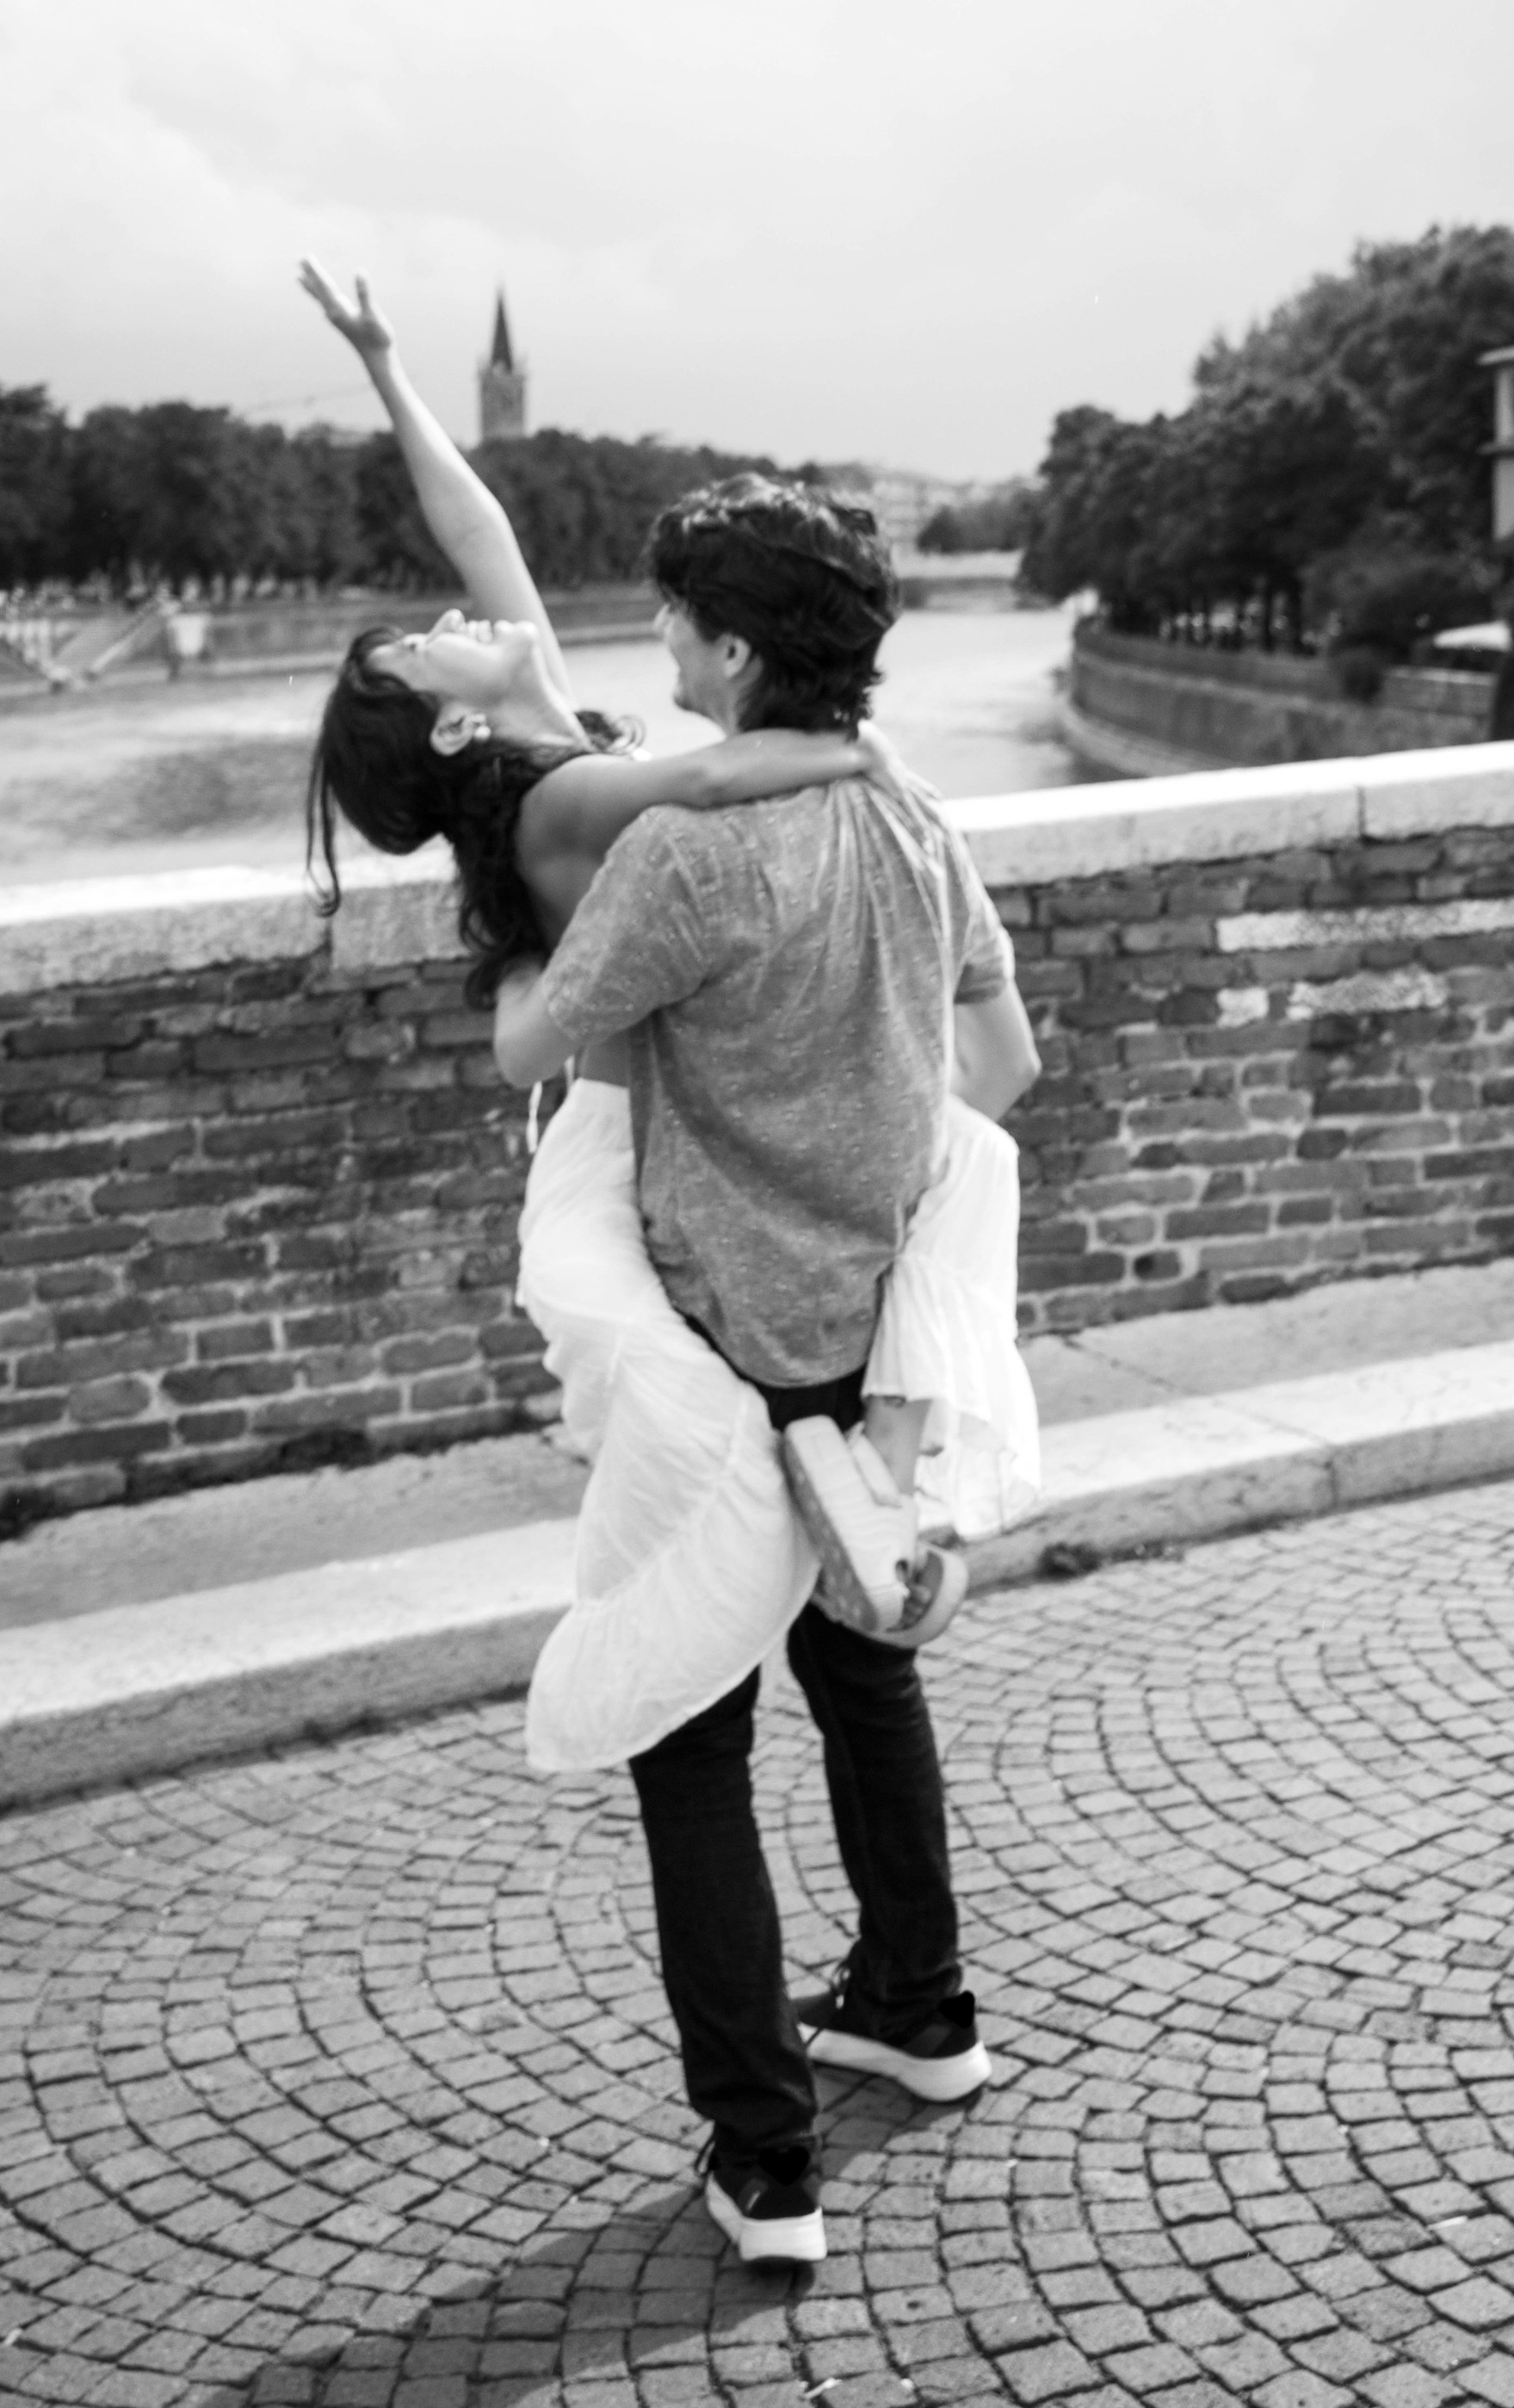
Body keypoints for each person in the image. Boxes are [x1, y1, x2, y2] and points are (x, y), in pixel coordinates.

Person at [299, 265, 1039, 1743]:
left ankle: (848, 1509)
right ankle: (857, 1499)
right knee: (752, 1573)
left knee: (755, 1562)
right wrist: (857, 759)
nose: (459, 610)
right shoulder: (567, 795)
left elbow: (480, 524)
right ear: (450, 711)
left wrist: (386, 370)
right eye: (427, 638)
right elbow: (709, 778)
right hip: (665, 1134)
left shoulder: (542, 729)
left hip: (686, 1106)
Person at [492, 472, 1041, 2271]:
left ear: (728, 650)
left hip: (714, 1350)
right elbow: (1006, 1067)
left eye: (666, 621)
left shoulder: (683, 852)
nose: (652, 647)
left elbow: (527, 1040)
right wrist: (855, 1152)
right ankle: (920, 2005)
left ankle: (767, 2163)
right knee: (861, 1669)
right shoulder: (911, 821)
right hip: (861, 1339)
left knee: (686, 1734)